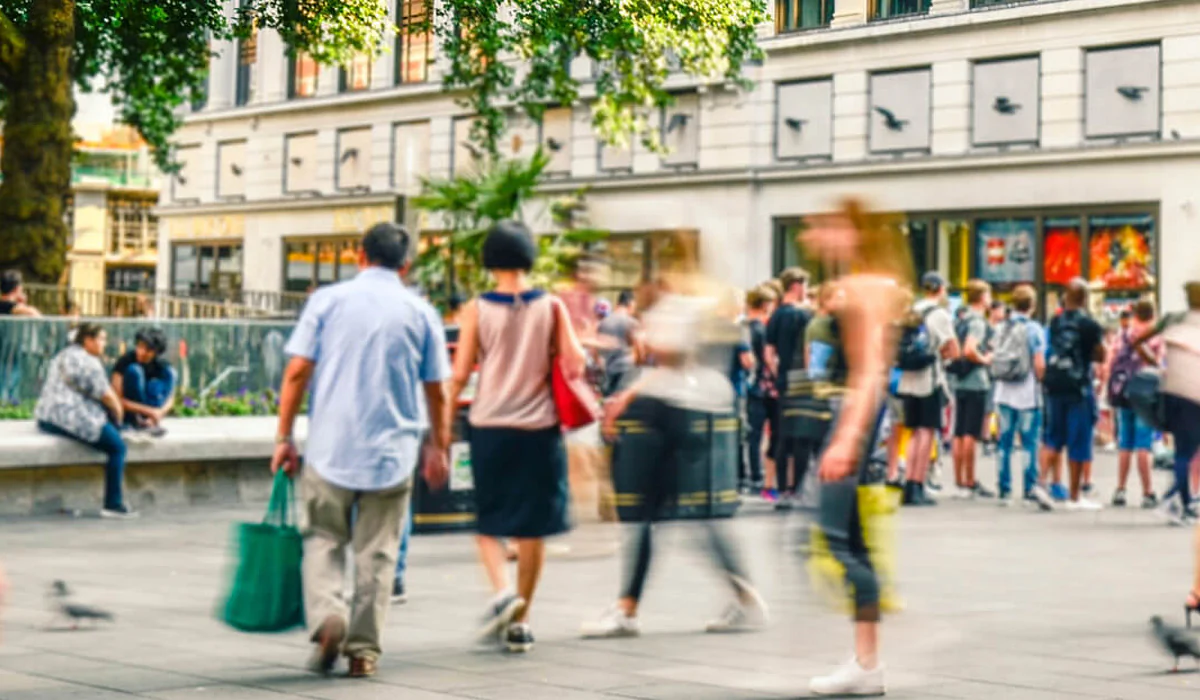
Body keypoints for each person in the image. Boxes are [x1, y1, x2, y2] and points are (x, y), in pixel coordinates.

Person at [271, 222, 451, 678]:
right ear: (405, 266)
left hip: (331, 448)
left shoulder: (327, 301)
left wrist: (284, 437)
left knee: (323, 539)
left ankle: (329, 615)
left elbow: (297, 372)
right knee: (378, 553)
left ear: (359, 256)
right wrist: (438, 446)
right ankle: (363, 651)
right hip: (392, 453)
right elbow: (437, 391)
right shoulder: (420, 312)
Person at [583, 254, 768, 640]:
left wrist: (626, 394)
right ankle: (741, 597)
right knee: (685, 519)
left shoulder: (675, 309)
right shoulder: (701, 307)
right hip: (695, 415)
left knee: (647, 517)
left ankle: (628, 609)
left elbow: (669, 361)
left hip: (668, 417)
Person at [447, 220, 586, 654]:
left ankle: (503, 592)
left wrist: (442, 421)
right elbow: (576, 361)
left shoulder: (477, 309)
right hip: (539, 428)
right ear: (529, 257)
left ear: (490, 260)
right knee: (532, 528)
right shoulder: (552, 306)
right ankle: (521, 621)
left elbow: (460, 372)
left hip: (490, 425)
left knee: (488, 520)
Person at [802, 199, 908, 696]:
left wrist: (846, 439)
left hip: (852, 420)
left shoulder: (864, 288)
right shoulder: (872, 284)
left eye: (826, 225)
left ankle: (867, 661)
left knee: (839, 540)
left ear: (853, 231)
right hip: (855, 420)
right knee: (846, 538)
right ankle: (867, 662)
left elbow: (869, 372)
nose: (814, 234)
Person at [34, 322, 136, 518]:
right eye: (102, 339)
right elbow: (107, 396)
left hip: (47, 416)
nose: (104, 343)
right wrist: (119, 416)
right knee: (117, 447)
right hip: (71, 417)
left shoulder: (63, 354)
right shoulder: (89, 362)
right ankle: (113, 504)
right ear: (88, 340)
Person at [1034, 277, 1105, 512]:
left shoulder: (1055, 321)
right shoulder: (1089, 324)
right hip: (1078, 386)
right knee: (1079, 441)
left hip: (1055, 384)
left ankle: (1041, 483)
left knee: (1053, 437)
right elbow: (1100, 354)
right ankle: (1075, 496)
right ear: (1085, 299)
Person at [1137, 282, 1200, 526]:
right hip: (1194, 393)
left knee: (1184, 449)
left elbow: (1138, 340)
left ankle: (1175, 498)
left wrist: (1155, 364)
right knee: (1186, 451)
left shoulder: (1172, 319)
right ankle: (1180, 504)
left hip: (1172, 390)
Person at [895, 272, 960, 506]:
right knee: (927, 431)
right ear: (940, 289)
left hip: (907, 378)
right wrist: (943, 355)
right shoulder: (940, 314)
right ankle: (917, 483)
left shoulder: (912, 310)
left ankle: (908, 483)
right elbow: (954, 349)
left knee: (913, 430)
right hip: (929, 380)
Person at [990, 285, 1046, 505]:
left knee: (1004, 442)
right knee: (1029, 442)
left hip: (1003, 391)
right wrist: (1041, 380)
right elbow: (1039, 362)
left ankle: (1004, 488)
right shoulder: (1033, 329)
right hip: (1026, 391)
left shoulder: (1001, 327)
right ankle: (1029, 488)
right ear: (1032, 305)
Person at [766, 267, 813, 508]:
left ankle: (783, 489)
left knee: (782, 435)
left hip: (784, 381)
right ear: (796, 285)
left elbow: (768, 352)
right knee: (802, 436)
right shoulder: (805, 316)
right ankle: (798, 489)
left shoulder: (776, 315)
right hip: (802, 380)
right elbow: (808, 351)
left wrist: (778, 374)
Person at [1110, 299, 1161, 508]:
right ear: (1153, 314)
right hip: (1145, 394)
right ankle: (1147, 492)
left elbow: (1112, 361)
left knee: (1125, 443)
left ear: (1136, 314)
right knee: (1143, 444)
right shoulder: (1155, 336)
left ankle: (1120, 489)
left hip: (1124, 392)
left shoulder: (1123, 334)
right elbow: (1160, 365)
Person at [947, 279, 996, 499]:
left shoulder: (961, 318)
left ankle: (958, 479)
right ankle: (969, 479)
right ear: (983, 297)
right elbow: (969, 349)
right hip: (975, 380)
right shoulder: (977, 321)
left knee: (959, 431)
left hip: (959, 380)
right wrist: (985, 359)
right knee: (970, 432)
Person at [744, 285, 778, 495]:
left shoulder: (744, 327)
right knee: (769, 434)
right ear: (765, 305)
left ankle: (753, 474)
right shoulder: (762, 329)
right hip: (765, 386)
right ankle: (763, 478)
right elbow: (767, 357)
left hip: (751, 386)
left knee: (753, 435)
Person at [111, 328, 176, 433]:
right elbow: (116, 399)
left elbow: (171, 398)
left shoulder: (161, 366)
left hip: (151, 411)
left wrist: (159, 413)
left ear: (156, 352)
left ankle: (148, 423)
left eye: (148, 350)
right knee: (135, 370)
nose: (141, 352)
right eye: (139, 347)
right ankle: (137, 421)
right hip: (130, 411)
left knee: (170, 373)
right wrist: (149, 412)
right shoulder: (125, 361)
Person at [597, 290, 643, 397]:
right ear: (631, 304)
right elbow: (640, 350)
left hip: (608, 371)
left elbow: (596, 351)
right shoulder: (632, 323)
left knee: (608, 401)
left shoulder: (603, 322)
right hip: (626, 372)